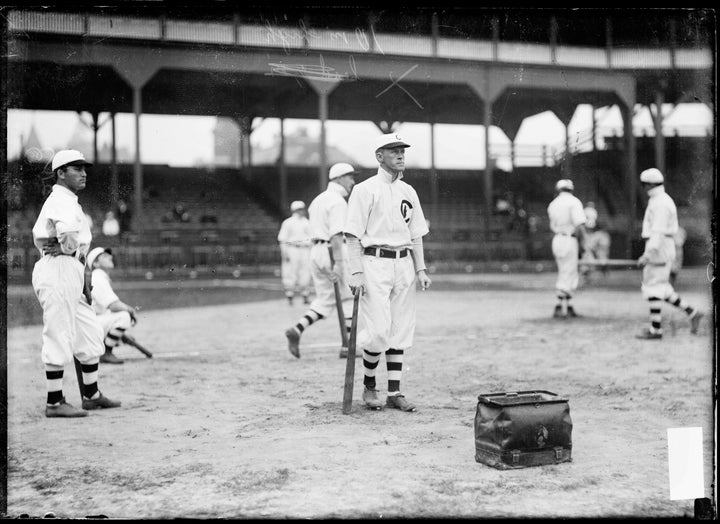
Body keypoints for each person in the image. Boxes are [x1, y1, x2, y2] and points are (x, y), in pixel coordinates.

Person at [344, 133, 431, 412]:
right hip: (375, 263)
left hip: (403, 262)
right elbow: (352, 236)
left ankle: (395, 392)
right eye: (394, 150)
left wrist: (421, 268)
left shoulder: (409, 191)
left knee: (400, 329)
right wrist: (355, 272)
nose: (400, 154)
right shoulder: (365, 189)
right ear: (379, 156)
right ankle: (370, 386)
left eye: (403, 150)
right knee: (379, 330)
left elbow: (416, 233)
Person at [31, 149, 121, 417]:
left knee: (89, 331)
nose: (83, 173)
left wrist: (73, 257)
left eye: (84, 168)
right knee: (59, 331)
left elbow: (69, 243)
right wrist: (67, 248)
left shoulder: (70, 200)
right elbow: (67, 239)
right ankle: (54, 402)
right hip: (58, 268)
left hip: (70, 269)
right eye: (76, 168)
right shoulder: (60, 199)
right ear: (60, 173)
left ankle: (91, 394)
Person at [284, 163, 358, 359]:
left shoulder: (318, 200)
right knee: (349, 296)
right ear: (340, 178)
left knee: (325, 299)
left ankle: (297, 329)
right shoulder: (338, 201)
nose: (352, 181)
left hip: (315, 252)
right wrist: (340, 263)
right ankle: (348, 346)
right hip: (331, 251)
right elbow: (335, 235)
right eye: (350, 177)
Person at [635, 168, 703, 339]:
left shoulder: (660, 203)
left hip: (659, 247)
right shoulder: (659, 200)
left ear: (650, 184)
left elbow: (657, 231)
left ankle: (656, 329)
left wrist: (648, 254)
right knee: (662, 288)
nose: (643, 188)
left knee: (653, 287)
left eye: (644, 185)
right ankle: (692, 312)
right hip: (661, 246)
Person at [87, 246, 140, 364]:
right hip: (88, 328)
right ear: (95, 263)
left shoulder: (99, 277)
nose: (110, 257)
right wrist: (130, 310)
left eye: (109, 255)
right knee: (124, 316)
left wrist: (122, 335)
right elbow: (113, 306)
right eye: (104, 257)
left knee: (121, 318)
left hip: (91, 325)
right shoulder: (97, 277)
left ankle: (109, 346)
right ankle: (106, 353)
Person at [547, 179, 588, 318]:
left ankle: (568, 306)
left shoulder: (553, 204)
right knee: (568, 272)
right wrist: (585, 243)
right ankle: (559, 306)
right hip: (569, 239)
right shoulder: (574, 201)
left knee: (565, 271)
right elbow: (580, 225)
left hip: (557, 239)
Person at [277, 200, 313, 305]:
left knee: (305, 272)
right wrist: (284, 252)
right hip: (292, 249)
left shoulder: (307, 222)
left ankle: (305, 295)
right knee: (290, 272)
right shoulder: (288, 222)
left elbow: (311, 238)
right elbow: (283, 239)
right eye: (300, 209)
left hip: (305, 249)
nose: (302, 211)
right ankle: (290, 296)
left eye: (302, 209)